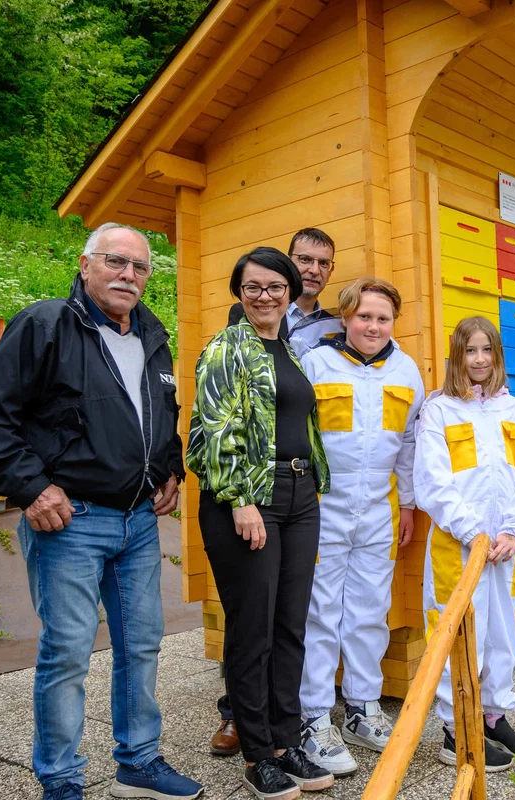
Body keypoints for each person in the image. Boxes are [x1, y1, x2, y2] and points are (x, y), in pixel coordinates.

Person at [0, 223, 202, 800]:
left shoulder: (151, 334)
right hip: (70, 521)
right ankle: (61, 779)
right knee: (67, 653)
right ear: (86, 264)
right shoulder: (47, 324)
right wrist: (32, 487)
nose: (129, 275)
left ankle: (138, 763)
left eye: (140, 268)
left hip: (138, 522)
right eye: (117, 262)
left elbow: (160, 414)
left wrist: (170, 468)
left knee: (141, 645)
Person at [186, 246, 335, 800]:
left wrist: (315, 481)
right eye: (253, 288)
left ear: (291, 291)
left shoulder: (291, 349)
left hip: (300, 497)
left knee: (290, 624)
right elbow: (216, 428)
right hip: (250, 499)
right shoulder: (227, 349)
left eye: (276, 287)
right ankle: (256, 754)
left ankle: (284, 738)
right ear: (239, 293)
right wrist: (239, 500)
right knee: (252, 628)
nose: (265, 296)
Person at [296, 278, 426, 777]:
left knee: (370, 610)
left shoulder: (406, 370)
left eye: (383, 318)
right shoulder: (316, 363)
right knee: (320, 610)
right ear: (346, 318)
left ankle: (362, 708)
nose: (373, 326)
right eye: (364, 317)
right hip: (324, 503)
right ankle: (312, 718)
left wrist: (409, 505)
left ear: (394, 322)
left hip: (380, 508)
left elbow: (411, 444)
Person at [414, 316, 515, 773]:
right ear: (456, 355)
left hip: (505, 546)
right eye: (470, 351)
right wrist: (473, 531)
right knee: (457, 632)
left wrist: (513, 530)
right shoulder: (440, 411)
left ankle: (492, 715)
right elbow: (432, 481)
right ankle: (455, 729)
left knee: (501, 633)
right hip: (459, 546)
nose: (480, 360)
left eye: (487, 350)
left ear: (498, 355)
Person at [225, 228, 341, 355]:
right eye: (305, 259)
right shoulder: (251, 312)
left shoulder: (335, 326)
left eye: (324, 263)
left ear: (331, 271)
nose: (314, 270)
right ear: (289, 263)